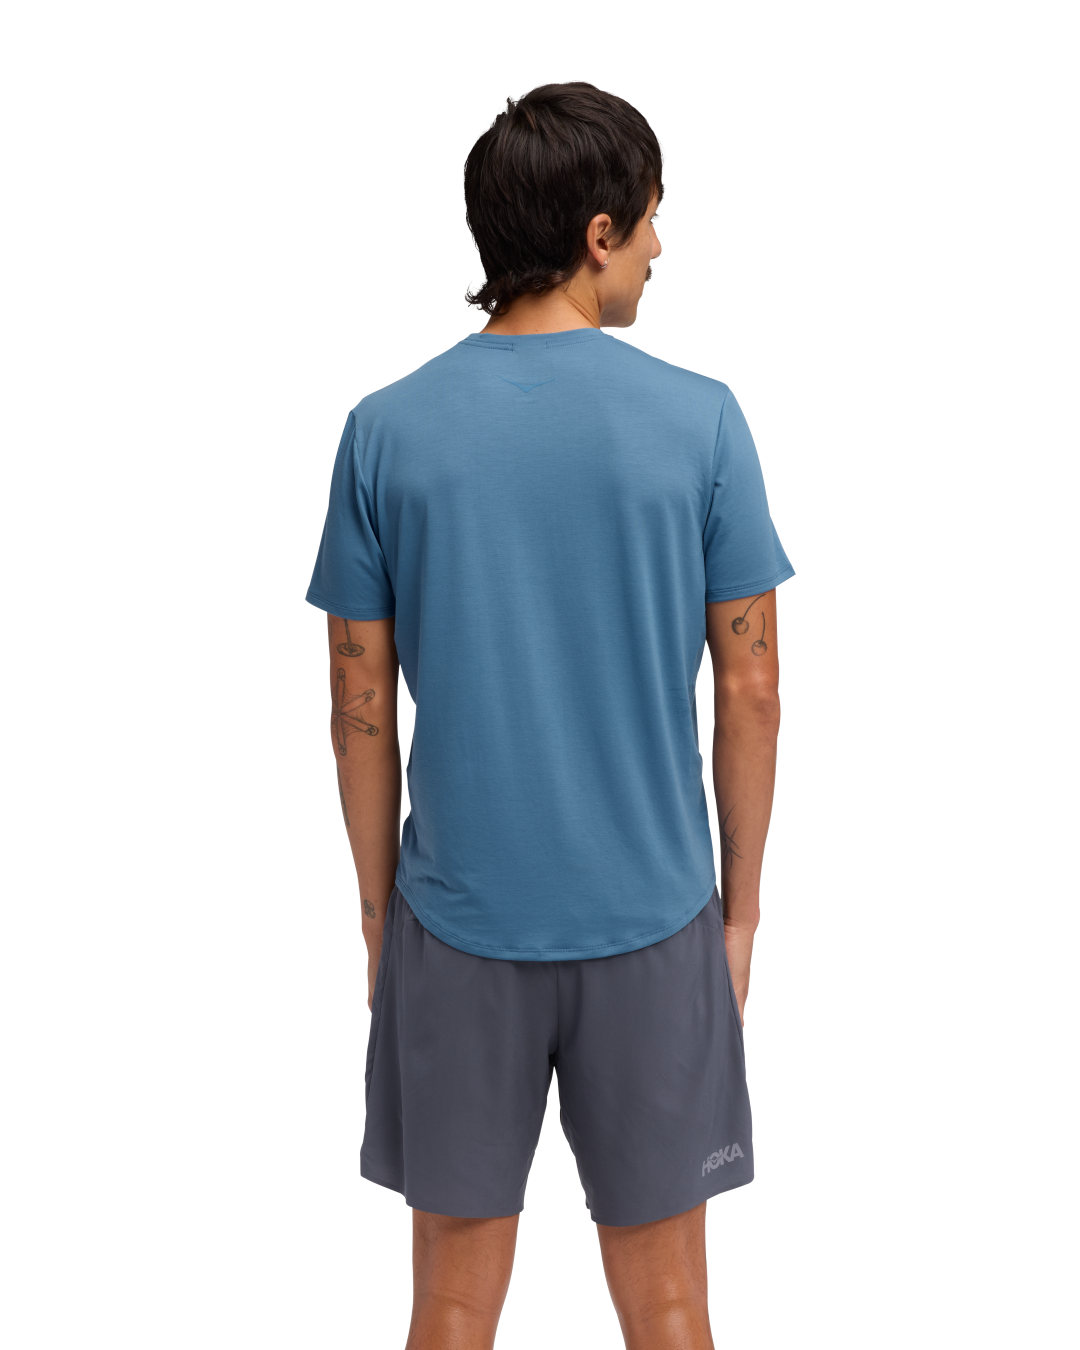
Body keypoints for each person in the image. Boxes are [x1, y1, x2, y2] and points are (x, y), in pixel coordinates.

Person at [304, 80, 794, 1350]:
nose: (660, 247)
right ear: (597, 231)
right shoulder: (704, 417)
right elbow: (751, 686)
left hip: (456, 922)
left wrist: (379, 922)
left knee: (450, 1307)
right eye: (652, 221)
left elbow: (357, 702)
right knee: (672, 1306)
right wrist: (739, 916)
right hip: (655, 917)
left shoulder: (381, 430)